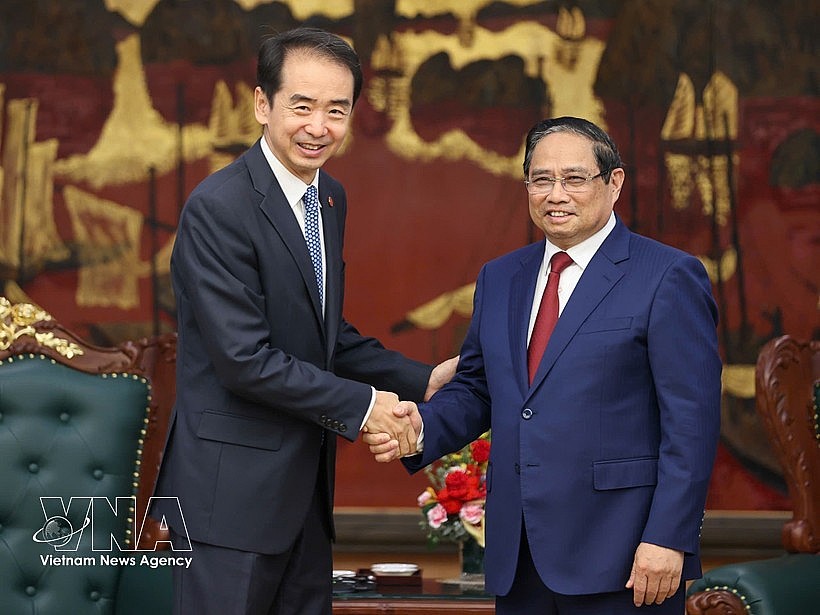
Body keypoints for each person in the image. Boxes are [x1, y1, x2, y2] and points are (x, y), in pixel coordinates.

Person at [152, 27, 456, 615]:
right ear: (262, 104)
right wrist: (366, 407)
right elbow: (245, 360)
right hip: (230, 503)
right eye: (302, 106)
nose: (319, 127)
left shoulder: (328, 197)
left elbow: (322, 335)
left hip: (304, 498)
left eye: (336, 110)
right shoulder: (219, 208)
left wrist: (423, 381)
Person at [366, 116, 722, 614]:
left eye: (575, 179)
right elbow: (478, 388)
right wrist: (419, 429)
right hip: (519, 555)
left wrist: (669, 537)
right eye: (541, 180)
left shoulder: (667, 275)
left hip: (624, 554)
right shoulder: (500, 277)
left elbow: (692, 422)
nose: (556, 195)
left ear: (614, 182)